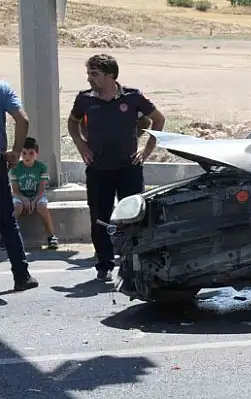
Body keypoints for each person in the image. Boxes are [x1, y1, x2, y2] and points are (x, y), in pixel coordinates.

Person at [66, 54, 165, 282]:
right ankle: (104, 264)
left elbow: (158, 120)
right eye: (89, 73)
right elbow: (72, 122)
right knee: (100, 217)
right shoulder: (85, 99)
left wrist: (146, 151)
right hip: (99, 169)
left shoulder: (132, 97)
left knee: (132, 217)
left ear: (110, 75)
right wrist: (81, 145)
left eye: (94, 74)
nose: (89, 78)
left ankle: (132, 263)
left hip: (128, 168)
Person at [0, 80, 39, 291]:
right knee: (7, 222)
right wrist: (15, 153)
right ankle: (21, 276)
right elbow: (22, 120)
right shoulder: (2, 88)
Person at [10, 137, 60, 250]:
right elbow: (15, 190)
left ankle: (51, 236)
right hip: (20, 196)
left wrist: (35, 199)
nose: (27, 157)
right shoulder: (16, 167)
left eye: (31, 153)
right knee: (16, 207)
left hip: (38, 195)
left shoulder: (41, 167)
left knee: (42, 207)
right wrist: (24, 199)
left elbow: (42, 188)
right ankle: (6, 236)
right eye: (24, 153)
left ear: (36, 153)